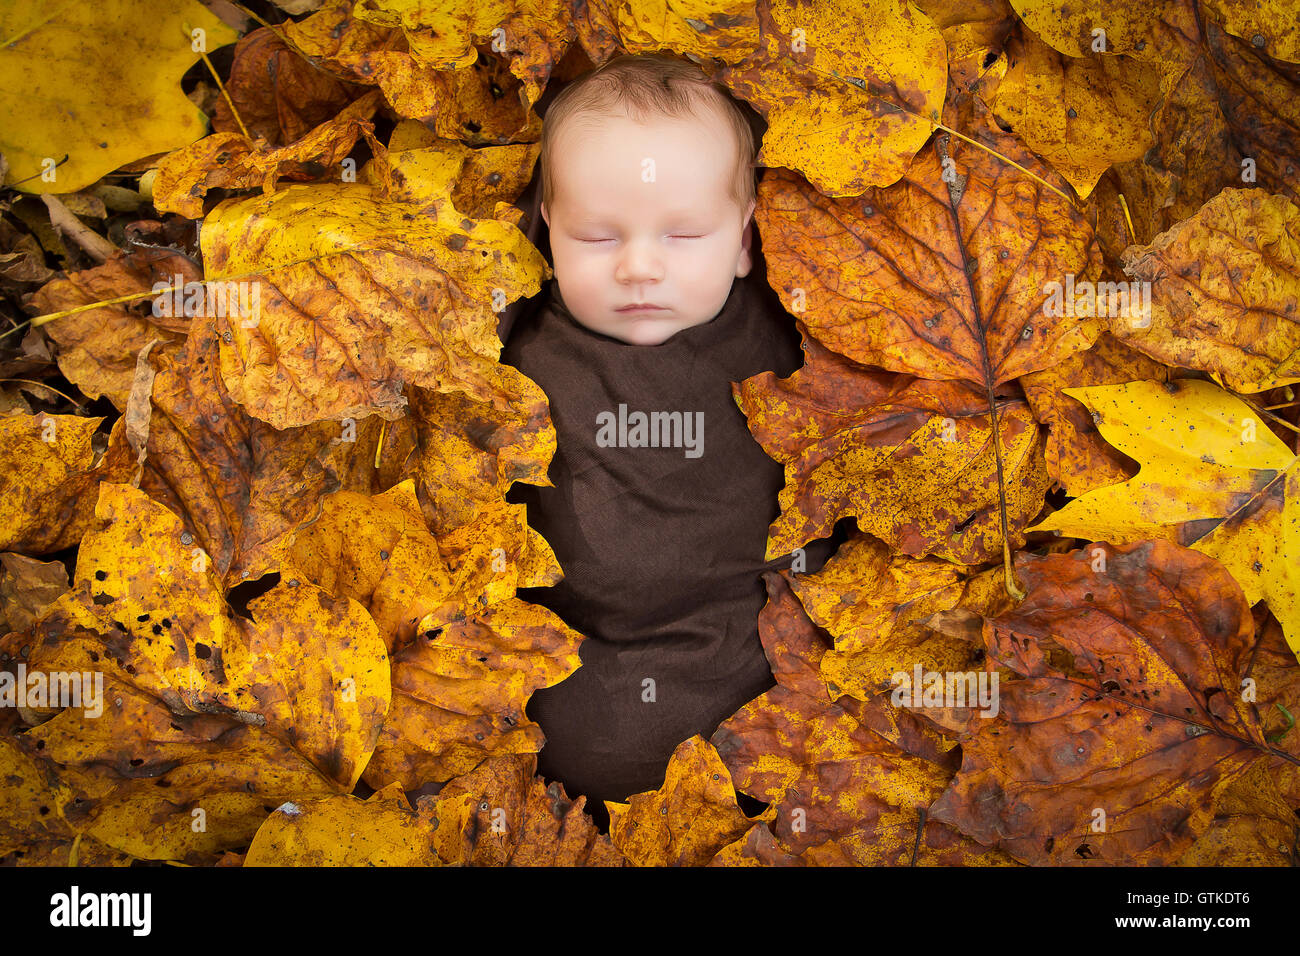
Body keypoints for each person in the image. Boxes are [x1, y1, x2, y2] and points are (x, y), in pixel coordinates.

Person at [500, 52, 845, 833]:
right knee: (583, 744)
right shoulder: (520, 355)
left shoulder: (788, 336)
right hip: (600, 649)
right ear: (547, 234)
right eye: (596, 236)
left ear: (747, 239)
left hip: (757, 635)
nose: (640, 267)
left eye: (685, 234)